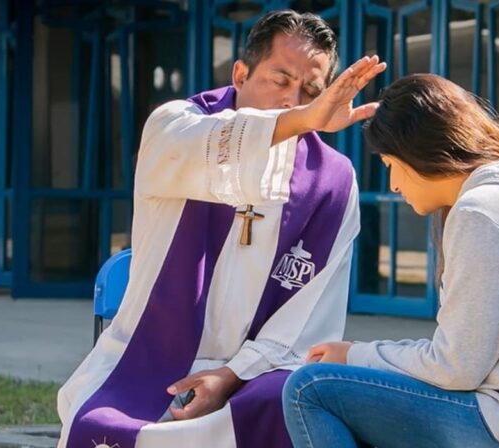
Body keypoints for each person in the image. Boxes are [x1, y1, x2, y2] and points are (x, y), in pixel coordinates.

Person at [57, 10, 386, 448]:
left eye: (310, 90)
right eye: (280, 79)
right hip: (144, 359)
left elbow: (308, 321)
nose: (295, 101)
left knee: (290, 404)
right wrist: (303, 119)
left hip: (251, 372)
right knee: (105, 427)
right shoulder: (176, 125)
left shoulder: (333, 182)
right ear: (240, 73)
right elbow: (218, 146)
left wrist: (231, 376)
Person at [282, 74, 499, 448]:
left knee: (310, 388)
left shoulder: (483, 213)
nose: (393, 184)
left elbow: (455, 368)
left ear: (420, 151)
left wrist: (355, 354)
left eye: (391, 164)